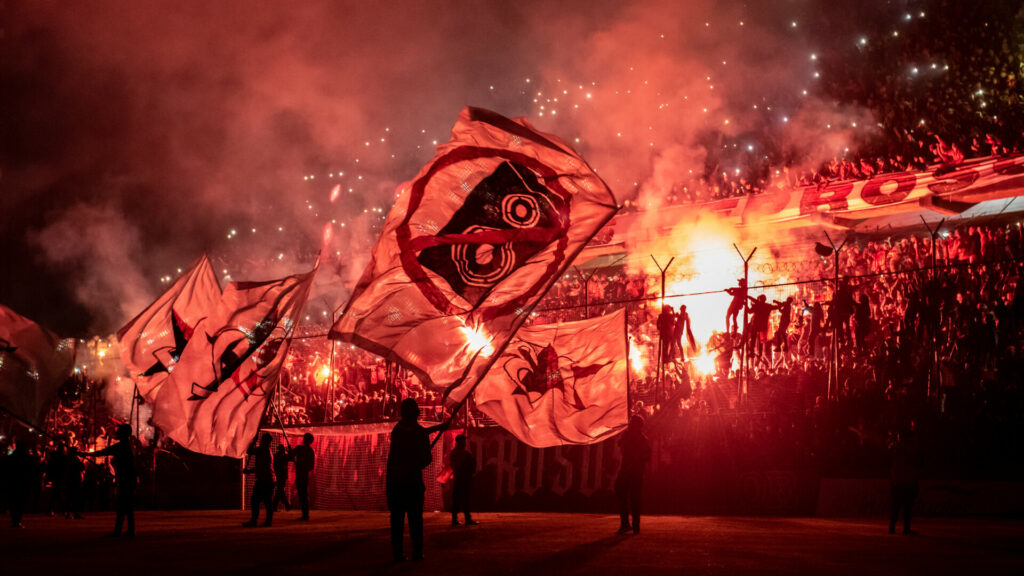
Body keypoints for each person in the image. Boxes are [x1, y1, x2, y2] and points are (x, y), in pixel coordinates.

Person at [387, 398, 446, 562]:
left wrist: (437, 428)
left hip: (395, 483)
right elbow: (425, 458)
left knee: (397, 520)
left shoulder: (397, 430)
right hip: (412, 482)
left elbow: (418, 432)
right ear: (416, 413)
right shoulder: (417, 433)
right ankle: (417, 552)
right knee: (415, 520)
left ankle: (398, 553)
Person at [86, 424, 137, 536]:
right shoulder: (126, 446)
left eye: (119, 432)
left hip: (125, 480)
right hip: (127, 479)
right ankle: (127, 530)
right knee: (126, 506)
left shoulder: (121, 447)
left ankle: (122, 530)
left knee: (124, 506)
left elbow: (102, 452)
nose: (117, 433)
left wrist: (85, 454)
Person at [615, 415, 651, 535]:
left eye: (632, 423)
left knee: (634, 499)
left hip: (635, 472)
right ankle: (626, 524)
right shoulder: (628, 436)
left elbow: (647, 456)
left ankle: (634, 525)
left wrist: (636, 459)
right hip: (626, 471)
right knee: (622, 495)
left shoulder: (642, 439)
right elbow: (620, 445)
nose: (630, 425)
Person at [889, 425, 922, 535]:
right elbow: (915, 463)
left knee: (896, 505)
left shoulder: (894, 447)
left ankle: (892, 527)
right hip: (907, 481)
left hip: (897, 480)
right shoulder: (910, 449)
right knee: (907, 506)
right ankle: (906, 528)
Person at [243, 433, 274, 527]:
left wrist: (253, 441)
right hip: (266, 479)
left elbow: (249, 451)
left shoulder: (263, 449)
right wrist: (249, 471)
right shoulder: (266, 450)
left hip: (265, 480)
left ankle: (255, 521)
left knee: (257, 500)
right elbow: (260, 467)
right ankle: (264, 521)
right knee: (265, 501)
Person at [448, 434, 478, 527]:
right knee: (464, 499)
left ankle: (455, 519)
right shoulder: (464, 454)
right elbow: (472, 466)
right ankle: (467, 519)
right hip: (463, 479)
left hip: (458, 478)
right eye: (463, 441)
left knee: (457, 499)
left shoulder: (454, 453)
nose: (465, 443)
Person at [5, 436, 34, 528]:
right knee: (20, 502)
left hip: (14, 482)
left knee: (14, 501)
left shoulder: (12, 457)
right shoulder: (26, 457)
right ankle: (17, 520)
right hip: (22, 481)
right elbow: (30, 469)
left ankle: (15, 520)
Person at [292, 433, 315, 521]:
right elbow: (311, 466)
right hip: (304, 475)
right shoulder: (309, 450)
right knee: (303, 495)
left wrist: (301, 464)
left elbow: (291, 455)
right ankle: (305, 514)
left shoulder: (300, 448)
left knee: (303, 495)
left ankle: (305, 515)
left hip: (302, 474)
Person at [272, 443, 292, 513]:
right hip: (279, 475)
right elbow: (290, 457)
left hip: (282, 476)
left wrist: (289, 451)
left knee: (279, 491)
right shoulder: (278, 456)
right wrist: (289, 451)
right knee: (280, 490)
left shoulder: (282, 456)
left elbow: (291, 458)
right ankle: (286, 505)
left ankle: (275, 506)